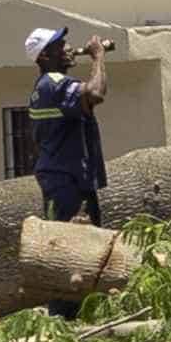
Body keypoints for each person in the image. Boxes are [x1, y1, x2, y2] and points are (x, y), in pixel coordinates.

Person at [24, 26, 107, 223]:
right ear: (44, 56)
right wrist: (98, 56)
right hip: (66, 183)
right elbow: (95, 93)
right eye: (61, 45)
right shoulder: (53, 83)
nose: (69, 48)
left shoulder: (45, 86)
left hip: (70, 180)